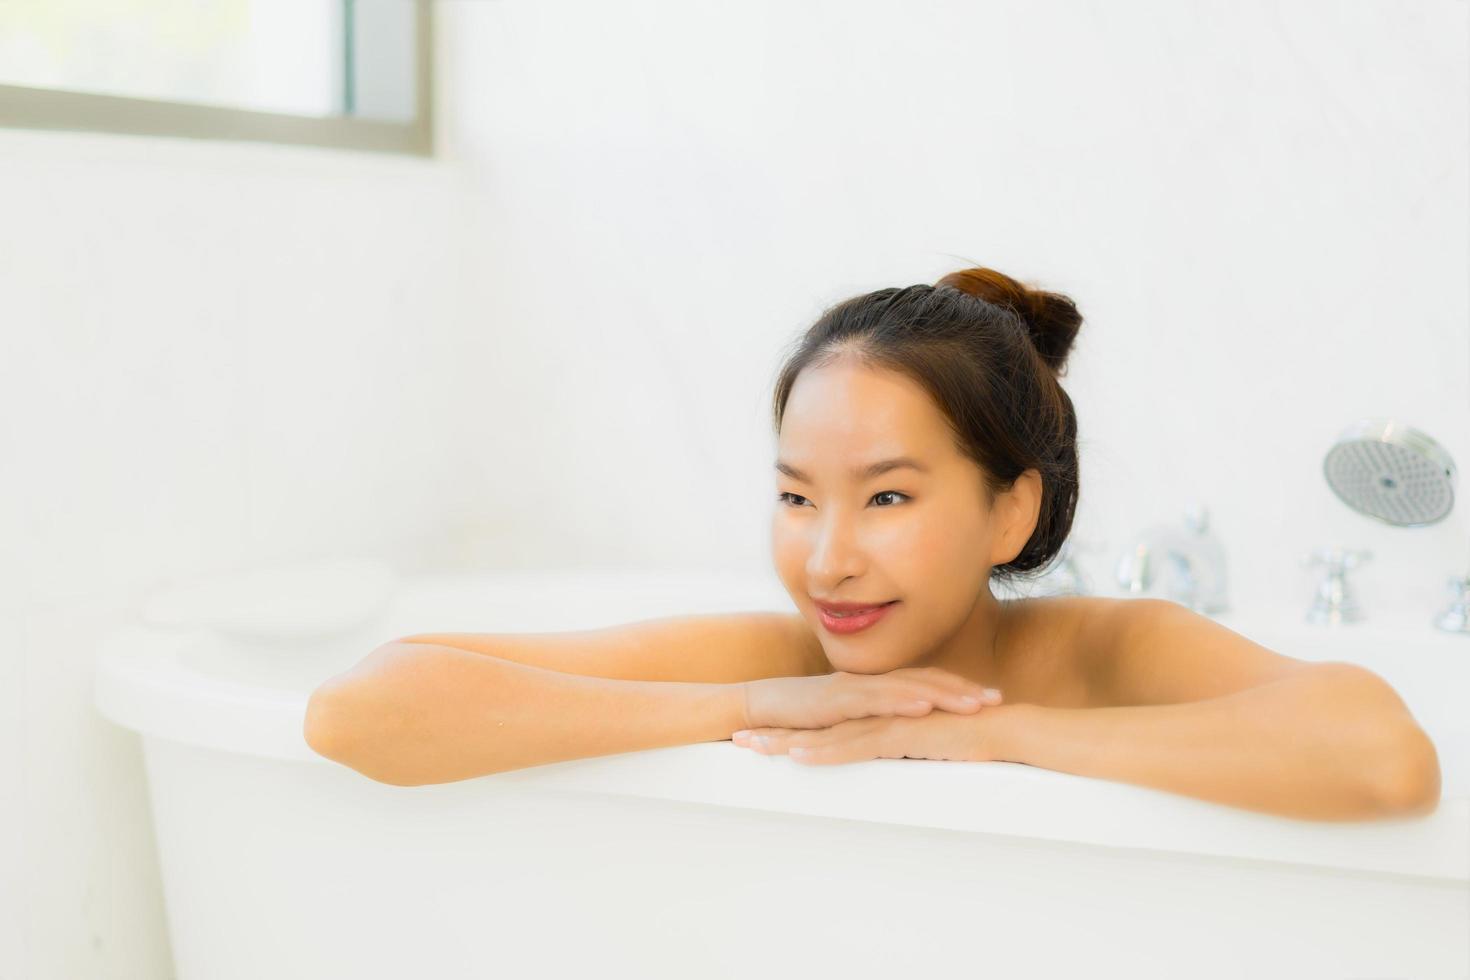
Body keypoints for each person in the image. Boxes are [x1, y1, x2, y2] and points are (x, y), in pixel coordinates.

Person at [305, 266, 1439, 821]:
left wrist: (997, 738)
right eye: (798, 497)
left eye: (887, 498)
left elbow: (1385, 757)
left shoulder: (1105, 652)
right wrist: (742, 705)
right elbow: (359, 709)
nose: (828, 558)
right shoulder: (784, 660)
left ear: (1013, 509)